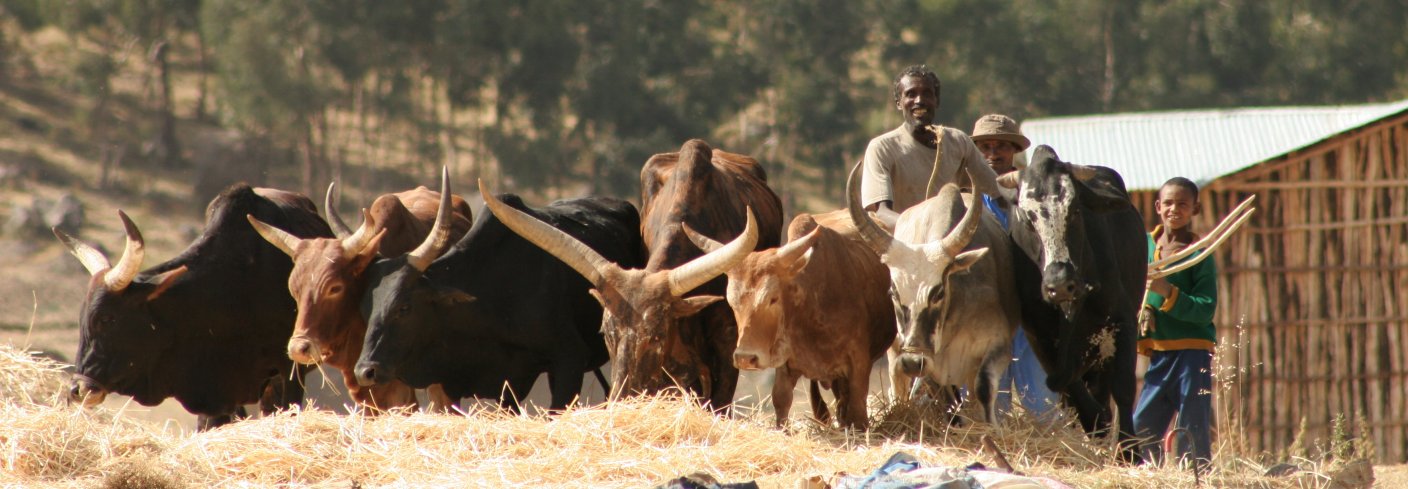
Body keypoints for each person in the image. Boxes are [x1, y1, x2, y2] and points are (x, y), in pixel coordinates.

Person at [970, 114, 1059, 420]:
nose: (993, 154)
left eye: (1001, 147)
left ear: (1014, 151)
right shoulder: (969, 200)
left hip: (1030, 309)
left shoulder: (1032, 194)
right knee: (993, 406)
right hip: (987, 312)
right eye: (985, 147)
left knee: (1043, 407)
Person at [1134, 177, 1219, 470]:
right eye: (1168, 203)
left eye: (1182, 204)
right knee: (1141, 425)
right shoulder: (1144, 245)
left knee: (1192, 426)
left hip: (1192, 352)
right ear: (1158, 206)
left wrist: (1167, 292)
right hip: (1159, 352)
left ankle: (1194, 479)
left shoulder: (1200, 253)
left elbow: (1205, 309)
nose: (1174, 209)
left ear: (1194, 209)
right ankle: (1150, 477)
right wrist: (1144, 307)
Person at [860, 65, 1002, 228]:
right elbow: (882, 213)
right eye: (911, 94)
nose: (919, 101)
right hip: (905, 244)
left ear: (937, 101)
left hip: (951, 242)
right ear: (899, 103)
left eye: (927, 93)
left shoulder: (958, 141)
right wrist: (921, 230)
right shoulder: (882, 148)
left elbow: (998, 190)